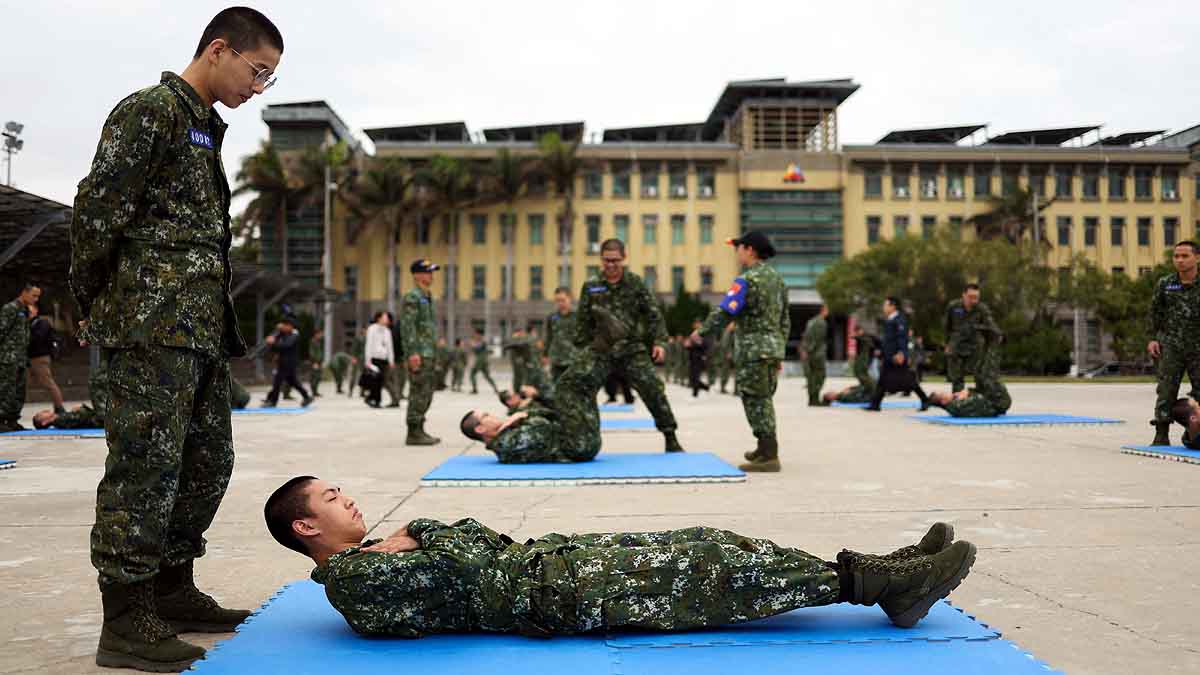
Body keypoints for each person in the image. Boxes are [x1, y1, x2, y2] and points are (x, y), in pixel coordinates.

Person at [70, 8, 282, 671]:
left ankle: (172, 585)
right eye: (257, 71)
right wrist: (103, 303)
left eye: (267, 78)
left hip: (197, 331)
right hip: (149, 327)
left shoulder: (201, 128)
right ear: (218, 50)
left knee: (207, 461)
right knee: (145, 468)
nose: (258, 88)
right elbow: (97, 213)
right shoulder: (150, 112)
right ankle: (127, 617)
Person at [265, 477, 977, 638]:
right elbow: (470, 561)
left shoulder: (378, 555)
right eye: (331, 498)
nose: (348, 501)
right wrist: (425, 526)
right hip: (555, 594)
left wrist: (429, 534)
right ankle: (885, 585)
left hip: (552, 560)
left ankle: (882, 569)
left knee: (714, 541)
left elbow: (469, 539)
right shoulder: (354, 583)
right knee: (713, 573)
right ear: (306, 525)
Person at [571, 238, 683, 453]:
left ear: (624, 258)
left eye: (615, 260)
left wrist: (660, 342)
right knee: (579, 387)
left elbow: (653, 315)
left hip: (631, 350)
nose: (611, 265)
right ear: (601, 260)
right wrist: (581, 352)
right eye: (606, 261)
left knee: (653, 389)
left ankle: (670, 436)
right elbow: (582, 323)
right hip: (601, 351)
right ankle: (583, 439)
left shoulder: (635, 283)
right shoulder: (591, 286)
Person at [691, 232, 788, 472]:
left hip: (753, 351)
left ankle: (769, 455)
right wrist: (778, 350)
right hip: (771, 349)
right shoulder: (778, 280)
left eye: (739, 248)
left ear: (750, 250)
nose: (737, 252)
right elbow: (785, 319)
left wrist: (701, 332)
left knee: (755, 400)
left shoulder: (747, 279)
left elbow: (726, 311)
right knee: (763, 398)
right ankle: (764, 447)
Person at [462, 373, 601, 463]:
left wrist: (521, 417)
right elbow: (543, 425)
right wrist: (522, 416)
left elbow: (548, 413)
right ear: (480, 429)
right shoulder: (506, 444)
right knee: (568, 386)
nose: (492, 415)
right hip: (580, 446)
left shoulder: (506, 435)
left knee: (572, 385)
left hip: (578, 438)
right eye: (486, 416)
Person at [1148, 241, 1200, 446]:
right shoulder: (1165, 284)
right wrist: (1152, 338)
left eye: (1185, 256)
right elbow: (1155, 313)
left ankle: (1193, 431)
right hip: (1171, 346)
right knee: (1166, 389)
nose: (1179, 260)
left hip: (1199, 347)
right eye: (1176, 256)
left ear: (1197, 258)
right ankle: (1161, 433)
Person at [400, 259, 441, 445]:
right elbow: (408, 327)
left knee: (427, 392)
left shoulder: (427, 295)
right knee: (418, 392)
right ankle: (413, 432)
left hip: (429, 352)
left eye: (431, 272)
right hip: (419, 353)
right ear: (416, 274)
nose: (431, 275)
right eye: (427, 272)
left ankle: (420, 428)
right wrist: (413, 353)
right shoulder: (412, 297)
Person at [866, 298, 930, 412]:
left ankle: (925, 399)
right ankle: (875, 404)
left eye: (885, 305)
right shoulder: (890, 319)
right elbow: (889, 340)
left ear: (893, 306)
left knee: (908, 380)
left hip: (896, 356)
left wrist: (901, 353)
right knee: (882, 379)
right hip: (888, 355)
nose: (884, 308)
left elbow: (902, 338)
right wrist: (881, 350)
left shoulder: (899, 320)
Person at [925, 341, 1010, 417]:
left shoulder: (955, 401)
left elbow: (980, 396)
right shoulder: (956, 406)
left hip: (994, 401)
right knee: (986, 374)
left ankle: (988, 343)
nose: (945, 392)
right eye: (942, 394)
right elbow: (980, 399)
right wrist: (967, 393)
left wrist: (966, 392)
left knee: (977, 371)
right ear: (943, 401)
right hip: (999, 402)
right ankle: (996, 344)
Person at [943, 284, 999, 393]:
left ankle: (980, 401)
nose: (974, 300)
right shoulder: (953, 306)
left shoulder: (981, 308)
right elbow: (947, 327)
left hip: (975, 347)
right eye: (971, 297)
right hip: (956, 347)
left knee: (980, 376)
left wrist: (997, 334)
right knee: (956, 379)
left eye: (976, 297)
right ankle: (958, 404)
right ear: (963, 295)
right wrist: (947, 344)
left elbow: (990, 323)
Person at [0, 282, 39, 431]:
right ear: (24, 292)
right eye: (33, 295)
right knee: (6, 391)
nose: (35, 299)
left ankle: (12, 420)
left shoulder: (24, 310)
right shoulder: (10, 308)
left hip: (21, 358)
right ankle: (2, 420)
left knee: (19, 392)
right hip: (8, 358)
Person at [33, 359, 110, 430]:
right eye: (40, 415)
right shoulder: (60, 421)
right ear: (44, 422)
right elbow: (83, 418)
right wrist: (80, 409)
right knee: (95, 382)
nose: (44, 411)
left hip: (101, 417)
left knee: (96, 381)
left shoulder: (61, 418)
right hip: (101, 419)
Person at [262, 317, 313, 408]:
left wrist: (273, 343)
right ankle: (307, 397)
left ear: (290, 326)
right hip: (285, 362)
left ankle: (273, 401)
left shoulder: (294, 334)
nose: (283, 327)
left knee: (277, 382)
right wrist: (275, 333)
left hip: (288, 363)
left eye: (285, 325)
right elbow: (277, 343)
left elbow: (286, 345)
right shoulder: (284, 334)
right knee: (293, 382)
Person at [27, 302, 67, 414]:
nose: (28, 313)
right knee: (23, 383)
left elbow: (38, 338)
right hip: (30, 357)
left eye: (30, 311)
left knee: (48, 383)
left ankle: (59, 407)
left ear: (36, 310)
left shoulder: (41, 323)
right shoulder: (28, 323)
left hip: (40, 357)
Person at [822, 325, 877, 404]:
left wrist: (850, 388)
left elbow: (859, 388)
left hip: (868, 389)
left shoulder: (842, 394)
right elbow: (859, 395)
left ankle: (865, 344)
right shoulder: (843, 397)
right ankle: (866, 344)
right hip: (871, 393)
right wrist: (851, 390)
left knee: (859, 371)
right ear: (831, 397)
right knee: (860, 371)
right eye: (829, 393)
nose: (831, 391)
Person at [545, 286, 581, 381]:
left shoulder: (578, 317)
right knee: (556, 389)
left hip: (573, 361)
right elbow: (549, 337)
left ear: (570, 299)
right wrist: (545, 355)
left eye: (563, 300)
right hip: (556, 361)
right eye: (557, 300)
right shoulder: (552, 317)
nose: (560, 303)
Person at [363, 311, 394, 409]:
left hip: (384, 359)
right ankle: (375, 400)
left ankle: (372, 399)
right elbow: (368, 345)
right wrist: (367, 360)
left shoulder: (387, 331)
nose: (387, 320)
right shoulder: (372, 329)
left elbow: (390, 346)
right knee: (375, 380)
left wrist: (391, 360)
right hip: (374, 358)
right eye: (385, 318)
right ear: (379, 318)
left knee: (381, 380)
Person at [801, 305, 829, 406]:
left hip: (810, 353)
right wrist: (810, 350)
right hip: (817, 353)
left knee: (811, 376)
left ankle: (812, 399)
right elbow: (817, 339)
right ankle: (815, 399)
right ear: (823, 310)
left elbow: (806, 336)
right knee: (820, 376)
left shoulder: (811, 321)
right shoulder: (821, 322)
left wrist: (805, 350)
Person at [469, 329, 499, 395]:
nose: (474, 335)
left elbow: (477, 349)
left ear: (478, 334)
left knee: (472, 374)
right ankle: (495, 388)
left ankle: (475, 389)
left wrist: (473, 345)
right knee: (487, 376)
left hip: (480, 360)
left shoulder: (481, 341)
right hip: (484, 360)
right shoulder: (482, 341)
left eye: (475, 334)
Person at [686, 319, 711, 397]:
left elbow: (706, 344)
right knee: (691, 376)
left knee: (696, 375)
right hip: (692, 357)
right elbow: (689, 345)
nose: (696, 325)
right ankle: (705, 387)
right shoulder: (692, 334)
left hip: (700, 357)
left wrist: (697, 343)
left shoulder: (704, 333)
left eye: (698, 324)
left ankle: (695, 393)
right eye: (695, 324)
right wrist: (688, 345)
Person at [347, 326, 367, 399]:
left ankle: (362, 392)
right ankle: (350, 391)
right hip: (357, 359)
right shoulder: (358, 338)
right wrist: (353, 357)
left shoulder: (368, 339)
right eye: (365, 330)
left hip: (365, 360)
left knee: (364, 376)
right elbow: (354, 348)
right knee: (354, 375)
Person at [307, 327, 324, 398]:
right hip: (315, 362)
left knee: (318, 377)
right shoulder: (313, 341)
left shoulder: (318, 341)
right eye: (320, 334)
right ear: (316, 334)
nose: (321, 335)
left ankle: (315, 391)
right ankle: (314, 392)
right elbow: (312, 352)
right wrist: (314, 362)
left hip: (319, 362)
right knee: (315, 376)